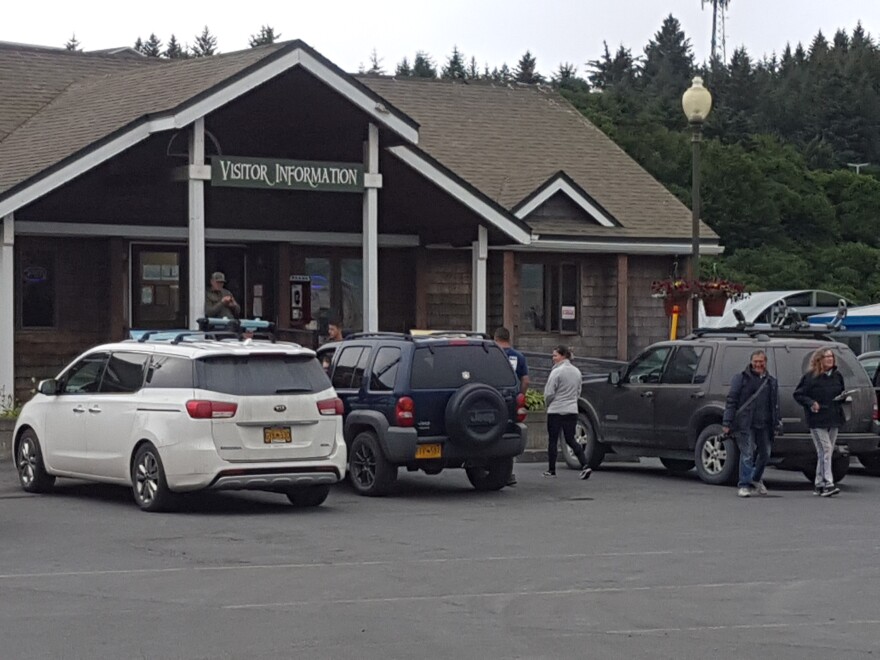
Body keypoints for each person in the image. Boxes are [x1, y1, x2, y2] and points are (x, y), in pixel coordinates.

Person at [722, 349, 781, 498]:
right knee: (747, 454)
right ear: (751, 362)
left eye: (761, 361)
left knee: (765, 454)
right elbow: (731, 401)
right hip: (745, 423)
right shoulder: (741, 379)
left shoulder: (771, 381)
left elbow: (775, 404)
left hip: (765, 424)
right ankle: (744, 484)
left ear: (765, 362)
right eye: (756, 361)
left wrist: (777, 422)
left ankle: (755, 479)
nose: (758, 364)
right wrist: (727, 422)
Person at [794, 347, 845, 497]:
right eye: (826, 357)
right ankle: (827, 483)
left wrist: (844, 398)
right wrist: (811, 403)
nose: (830, 359)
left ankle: (819, 484)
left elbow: (841, 391)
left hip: (834, 417)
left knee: (826, 451)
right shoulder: (810, 377)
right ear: (819, 360)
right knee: (825, 449)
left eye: (831, 357)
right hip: (817, 419)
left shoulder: (837, 376)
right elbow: (798, 394)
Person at [543, 345, 591, 480]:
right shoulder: (577, 372)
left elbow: (549, 392)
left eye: (555, 356)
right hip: (571, 409)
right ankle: (585, 465)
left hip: (556, 410)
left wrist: (548, 404)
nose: (553, 359)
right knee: (570, 439)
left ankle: (551, 470)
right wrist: (572, 402)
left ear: (562, 356)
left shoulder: (556, 372)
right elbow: (578, 391)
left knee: (553, 440)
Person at [494, 327, 530, 486]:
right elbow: (526, 380)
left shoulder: (492, 354)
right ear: (508, 338)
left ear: (495, 338)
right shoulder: (519, 356)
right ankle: (508, 472)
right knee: (510, 432)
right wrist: (519, 396)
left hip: (491, 399)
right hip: (511, 400)